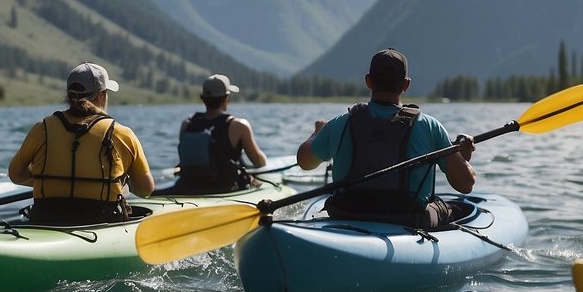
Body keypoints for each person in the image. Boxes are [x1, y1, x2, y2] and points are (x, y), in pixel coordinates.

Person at [296, 48, 476, 229]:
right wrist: (462, 158)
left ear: (368, 81)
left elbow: (305, 162)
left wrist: (318, 133)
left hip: (347, 212)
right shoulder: (429, 126)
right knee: (454, 208)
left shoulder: (339, 123)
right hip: (406, 218)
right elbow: (465, 185)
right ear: (406, 85)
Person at [8, 62, 155, 225]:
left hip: (46, 217)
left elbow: (16, 175)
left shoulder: (42, 129)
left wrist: (54, 181)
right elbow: (146, 189)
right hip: (101, 220)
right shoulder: (120, 133)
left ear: (69, 96)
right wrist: (122, 183)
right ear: (101, 96)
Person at [175, 74, 267, 192]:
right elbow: (258, 162)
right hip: (224, 188)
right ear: (226, 98)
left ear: (203, 98)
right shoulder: (239, 126)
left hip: (189, 186)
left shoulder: (187, 124)